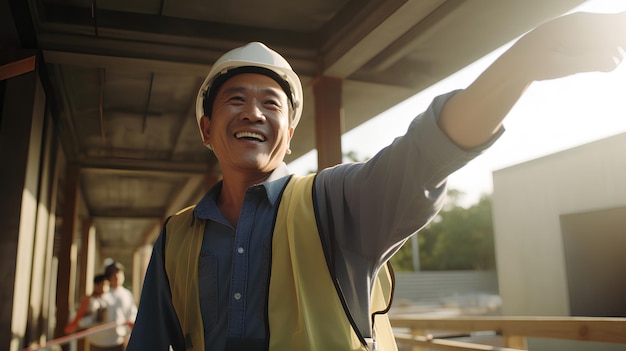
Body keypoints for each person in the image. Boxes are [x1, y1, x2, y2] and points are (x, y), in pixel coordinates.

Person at [127, 11, 626, 351]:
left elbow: (426, 154)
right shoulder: (176, 237)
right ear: (206, 128)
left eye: (270, 102)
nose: (253, 112)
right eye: (235, 99)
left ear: (289, 132)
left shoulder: (335, 203)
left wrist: (524, 62)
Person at [89, 262, 138, 351]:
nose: (117, 277)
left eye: (119, 273)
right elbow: (92, 313)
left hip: (117, 340)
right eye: (114, 274)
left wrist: (128, 332)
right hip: (99, 341)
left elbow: (132, 314)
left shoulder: (127, 294)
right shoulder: (101, 293)